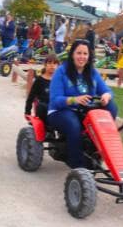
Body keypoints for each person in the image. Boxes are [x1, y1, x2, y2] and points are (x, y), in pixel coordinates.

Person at [46, 39, 117, 170]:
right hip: (60, 110)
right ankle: (77, 164)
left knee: (111, 107)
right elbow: (55, 99)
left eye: (85, 54)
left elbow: (106, 90)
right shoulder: (61, 72)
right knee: (74, 125)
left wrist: (107, 96)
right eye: (79, 53)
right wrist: (74, 99)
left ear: (89, 56)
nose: (82, 57)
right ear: (72, 54)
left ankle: (94, 153)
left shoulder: (92, 72)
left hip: (84, 111)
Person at [25, 52, 59, 117]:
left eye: (55, 63)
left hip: (55, 108)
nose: (52, 65)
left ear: (58, 66)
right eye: (49, 63)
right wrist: (27, 112)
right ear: (45, 65)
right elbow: (31, 97)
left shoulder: (59, 80)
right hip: (43, 109)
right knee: (42, 106)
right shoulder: (39, 80)